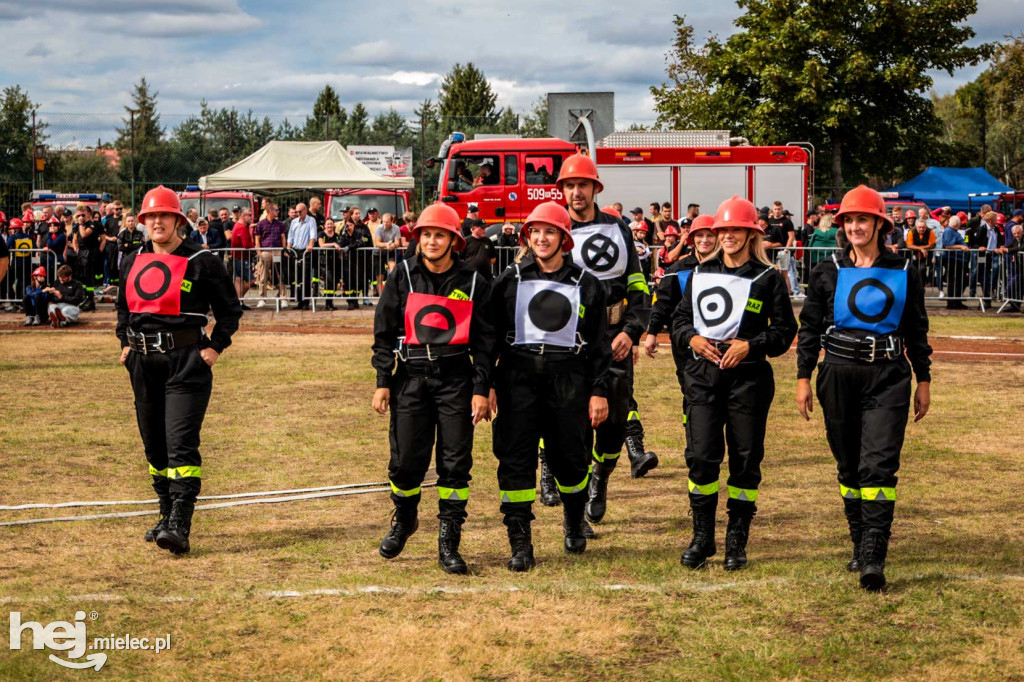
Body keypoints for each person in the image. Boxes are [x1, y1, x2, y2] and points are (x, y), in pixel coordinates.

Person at [796, 185, 932, 591]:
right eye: (849, 220)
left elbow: (917, 330)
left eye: (863, 219)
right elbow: (810, 330)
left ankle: (874, 553)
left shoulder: (906, 270)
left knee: (879, 464)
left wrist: (923, 380)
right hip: (837, 373)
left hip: (889, 375)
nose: (855, 226)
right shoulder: (827, 271)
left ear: (879, 224)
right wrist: (803, 378)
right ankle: (858, 540)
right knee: (848, 464)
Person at [671, 196, 797, 571]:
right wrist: (691, 338)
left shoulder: (768, 277)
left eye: (735, 230)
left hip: (749, 379)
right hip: (702, 377)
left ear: (750, 234)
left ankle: (736, 541)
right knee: (701, 457)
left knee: (744, 460)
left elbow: (785, 330)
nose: (727, 236)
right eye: (722, 230)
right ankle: (702, 537)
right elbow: (679, 321)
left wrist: (751, 345)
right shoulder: (697, 273)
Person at [116, 186, 242, 555]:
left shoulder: (203, 260)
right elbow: (124, 308)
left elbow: (230, 310)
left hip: (186, 363)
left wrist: (215, 346)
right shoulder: (131, 260)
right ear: (142, 222)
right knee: (154, 445)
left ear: (177, 220)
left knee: (180, 445)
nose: (156, 221)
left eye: (164, 215)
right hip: (142, 363)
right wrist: (124, 341)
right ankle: (165, 513)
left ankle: (180, 524)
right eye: (150, 216)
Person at [371, 203, 495, 575]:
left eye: (440, 234)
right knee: (406, 462)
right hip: (410, 378)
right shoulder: (402, 276)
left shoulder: (474, 281)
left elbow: (487, 342)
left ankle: (448, 542)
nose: (432, 240)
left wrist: (481, 387)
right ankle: (405, 519)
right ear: (418, 238)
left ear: (454, 240)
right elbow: (383, 331)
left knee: (455, 464)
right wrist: (382, 381)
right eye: (426, 234)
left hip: (457, 378)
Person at [488, 202, 610, 569]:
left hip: (569, 377)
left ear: (564, 239)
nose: (541, 238)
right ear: (527, 236)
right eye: (535, 231)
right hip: (517, 377)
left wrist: (599, 390)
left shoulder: (587, 284)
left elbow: (600, 343)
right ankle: (520, 542)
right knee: (514, 459)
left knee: (571, 459)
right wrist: (487, 384)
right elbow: (489, 337)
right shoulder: (508, 279)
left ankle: (574, 520)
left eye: (550, 231)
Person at [558, 153, 654, 532]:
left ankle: (602, 477)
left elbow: (638, 285)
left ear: (595, 188)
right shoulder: (554, 226)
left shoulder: (618, 227)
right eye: (569, 185)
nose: (576, 192)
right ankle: (577, 506)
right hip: (571, 341)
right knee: (574, 426)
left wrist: (632, 331)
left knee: (613, 424)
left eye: (583, 185)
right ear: (562, 190)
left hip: (615, 340)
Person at [644, 214, 718, 391]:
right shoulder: (678, 269)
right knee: (689, 386)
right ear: (692, 239)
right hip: (684, 339)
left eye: (710, 235)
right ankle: (689, 419)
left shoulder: (726, 267)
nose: (704, 240)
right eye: (699, 235)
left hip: (716, 339)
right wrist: (652, 332)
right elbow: (663, 302)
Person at [253, 203, 287, 306]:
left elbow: (283, 237)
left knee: (280, 275)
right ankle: (262, 298)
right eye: (276, 210)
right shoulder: (261, 224)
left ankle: (283, 298)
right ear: (270, 211)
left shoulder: (280, 224)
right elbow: (257, 239)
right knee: (263, 275)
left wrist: (283, 249)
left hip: (277, 251)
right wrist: (259, 252)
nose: (278, 212)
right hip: (266, 251)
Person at [287, 203, 318, 310]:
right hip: (295, 251)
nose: (298, 214)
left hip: (305, 252)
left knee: (305, 276)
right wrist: (289, 246)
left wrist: (310, 244)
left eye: (300, 212)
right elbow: (290, 235)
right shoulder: (294, 222)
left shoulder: (311, 220)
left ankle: (306, 301)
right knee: (296, 277)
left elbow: (313, 235)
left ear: (305, 210)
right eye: (296, 212)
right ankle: (299, 300)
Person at [340, 216, 372, 309]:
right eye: (347, 225)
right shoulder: (344, 232)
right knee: (348, 281)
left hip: (358, 260)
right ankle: (350, 301)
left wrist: (350, 247)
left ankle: (355, 300)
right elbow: (340, 243)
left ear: (353, 225)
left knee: (357, 281)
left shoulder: (359, 233)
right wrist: (343, 234)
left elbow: (361, 243)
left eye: (350, 225)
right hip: (347, 261)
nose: (348, 227)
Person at [942, 215, 970, 308]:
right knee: (954, 281)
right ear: (957, 224)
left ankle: (957, 301)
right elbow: (947, 245)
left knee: (960, 281)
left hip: (959, 260)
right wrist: (960, 246)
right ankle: (952, 302)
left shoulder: (953, 231)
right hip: (953, 260)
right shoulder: (949, 231)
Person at [230, 208, 254, 310]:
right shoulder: (242, 227)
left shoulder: (237, 225)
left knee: (238, 280)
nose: (251, 217)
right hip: (241, 257)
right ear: (243, 216)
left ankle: (238, 301)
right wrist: (255, 245)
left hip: (237, 257)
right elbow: (246, 245)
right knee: (251, 280)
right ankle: (236, 299)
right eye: (249, 215)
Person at [318, 218, 343, 310]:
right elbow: (321, 245)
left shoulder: (336, 235)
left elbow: (339, 246)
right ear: (324, 225)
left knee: (335, 282)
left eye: (331, 224)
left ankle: (331, 302)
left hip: (335, 261)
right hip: (325, 261)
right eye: (328, 224)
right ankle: (327, 303)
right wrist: (333, 244)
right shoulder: (321, 234)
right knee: (329, 281)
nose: (329, 226)